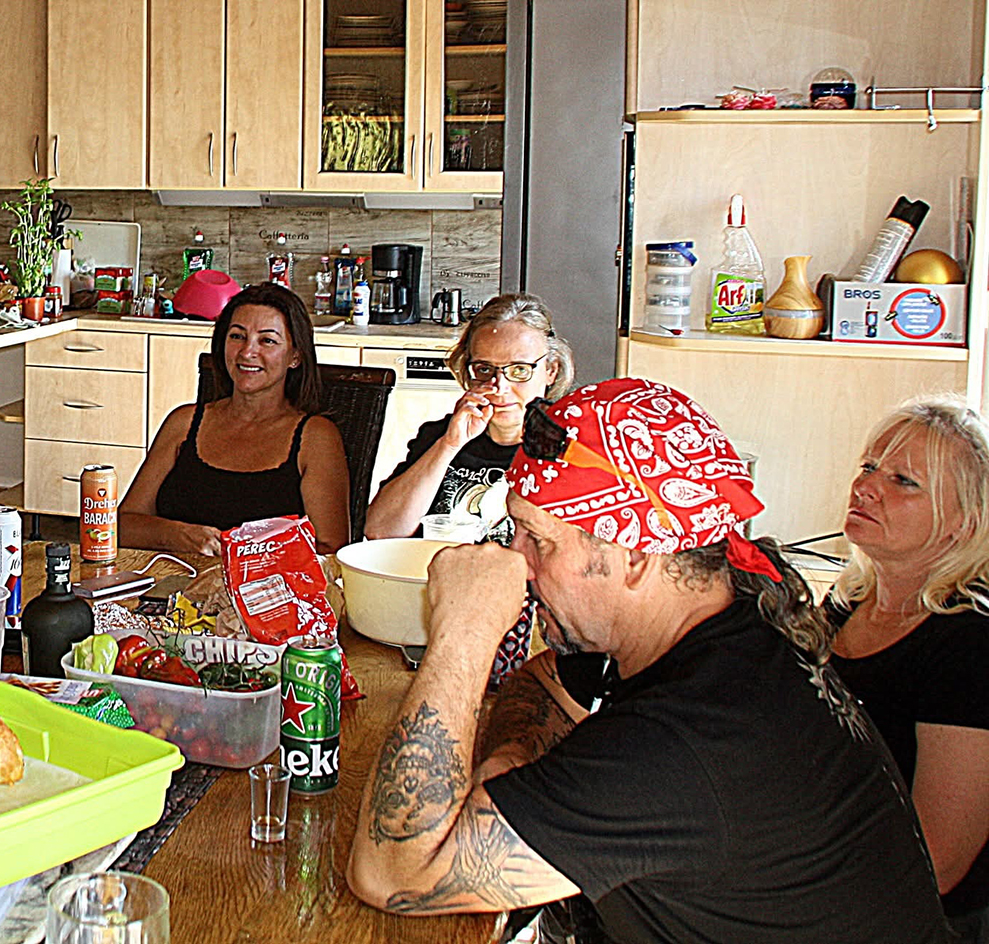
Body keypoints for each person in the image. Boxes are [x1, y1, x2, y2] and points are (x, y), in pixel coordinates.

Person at [348, 378, 953, 943]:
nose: (515, 561)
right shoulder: (718, 610)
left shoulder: (687, 740)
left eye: (539, 540)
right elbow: (544, 681)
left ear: (635, 556)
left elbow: (393, 871)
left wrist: (463, 632)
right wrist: (515, 764)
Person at [827, 394, 989, 941]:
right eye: (869, 467)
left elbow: (937, 862)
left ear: (962, 523)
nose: (866, 487)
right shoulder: (844, 605)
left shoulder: (969, 643)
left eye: (904, 481)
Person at [120, 283, 351, 555]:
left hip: (270, 583)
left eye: (267, 340)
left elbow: (331, 549)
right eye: (237, 336)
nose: (247, 352)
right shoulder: (183, 423)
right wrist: (178, 536)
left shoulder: (316, 437)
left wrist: (245, 559)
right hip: (173, 579)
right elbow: (123, 526)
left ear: (295, 356)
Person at [365, 292, 574, 538]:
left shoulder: (572, 447)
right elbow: (381, 531)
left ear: (551, 370)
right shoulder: (441, 436)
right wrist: (449, 446)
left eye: (519, 370)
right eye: (484, 369)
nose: (499, 386)